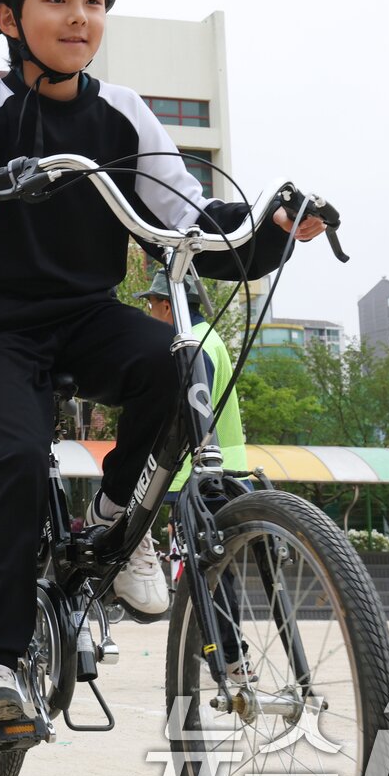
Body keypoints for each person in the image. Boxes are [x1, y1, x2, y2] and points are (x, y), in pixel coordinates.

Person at [0, 0, 324, 731]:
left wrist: (270, 229)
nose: (80, 15)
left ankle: (119, 520)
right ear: (8, 18)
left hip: (82, 315)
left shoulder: (123, 115)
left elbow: (193, 220)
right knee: (17, 453)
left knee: (178, 363)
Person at [142, 273, 255, 683]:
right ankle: (228, 653)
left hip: (199, 475)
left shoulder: (191, 344)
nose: (150, 313)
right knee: (215, 566)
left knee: (206, 566)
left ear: (168, 306)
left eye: (152, 305)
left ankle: (226, 655)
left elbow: (187, 412)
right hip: (222, 471)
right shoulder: (210, 337)